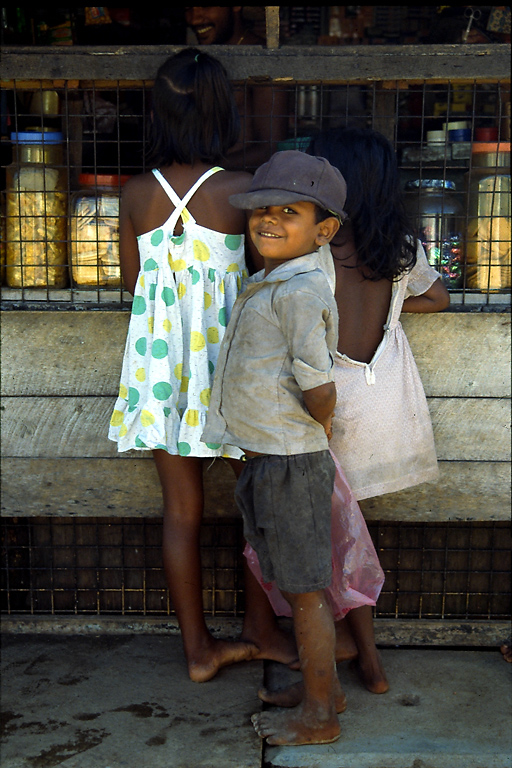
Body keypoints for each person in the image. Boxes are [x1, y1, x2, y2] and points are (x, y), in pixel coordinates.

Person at [108, 47, 295, 684]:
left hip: (163, 372)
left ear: (156, 114)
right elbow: (270, 275)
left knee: (181, 513)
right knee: (256, 506)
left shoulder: (135, 196)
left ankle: (198, 651)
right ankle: (260, 630)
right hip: (234, 366)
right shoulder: (243, 193)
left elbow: (133, 287)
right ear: (223, 111)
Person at [257, 127, 451, 710]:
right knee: (351, 538)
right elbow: (437, 299)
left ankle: (351, 661)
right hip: (380, 402)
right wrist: (393, 304)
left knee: (327, 547)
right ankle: (359, 656)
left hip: (326, 410)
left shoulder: (313, 251)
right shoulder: (400, 246)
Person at [202, 150, 348, 746]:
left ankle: (320, 717)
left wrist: (323, 425)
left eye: (289, 211)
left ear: (325, 229)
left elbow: (317, 381)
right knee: (295, 582)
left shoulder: (299, 288)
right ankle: (325, 690)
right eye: (261, 210)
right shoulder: (272, 279)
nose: (268, 221)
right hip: (270, 457)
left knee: (305, 588)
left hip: (291, 461)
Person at [185, 6, 289, 170]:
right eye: (188, 9)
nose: (194, 19)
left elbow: (270, 148)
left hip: (247, 188)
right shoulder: (198, 60)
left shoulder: (263, 59)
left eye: (205, 7)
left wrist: (200, 172)